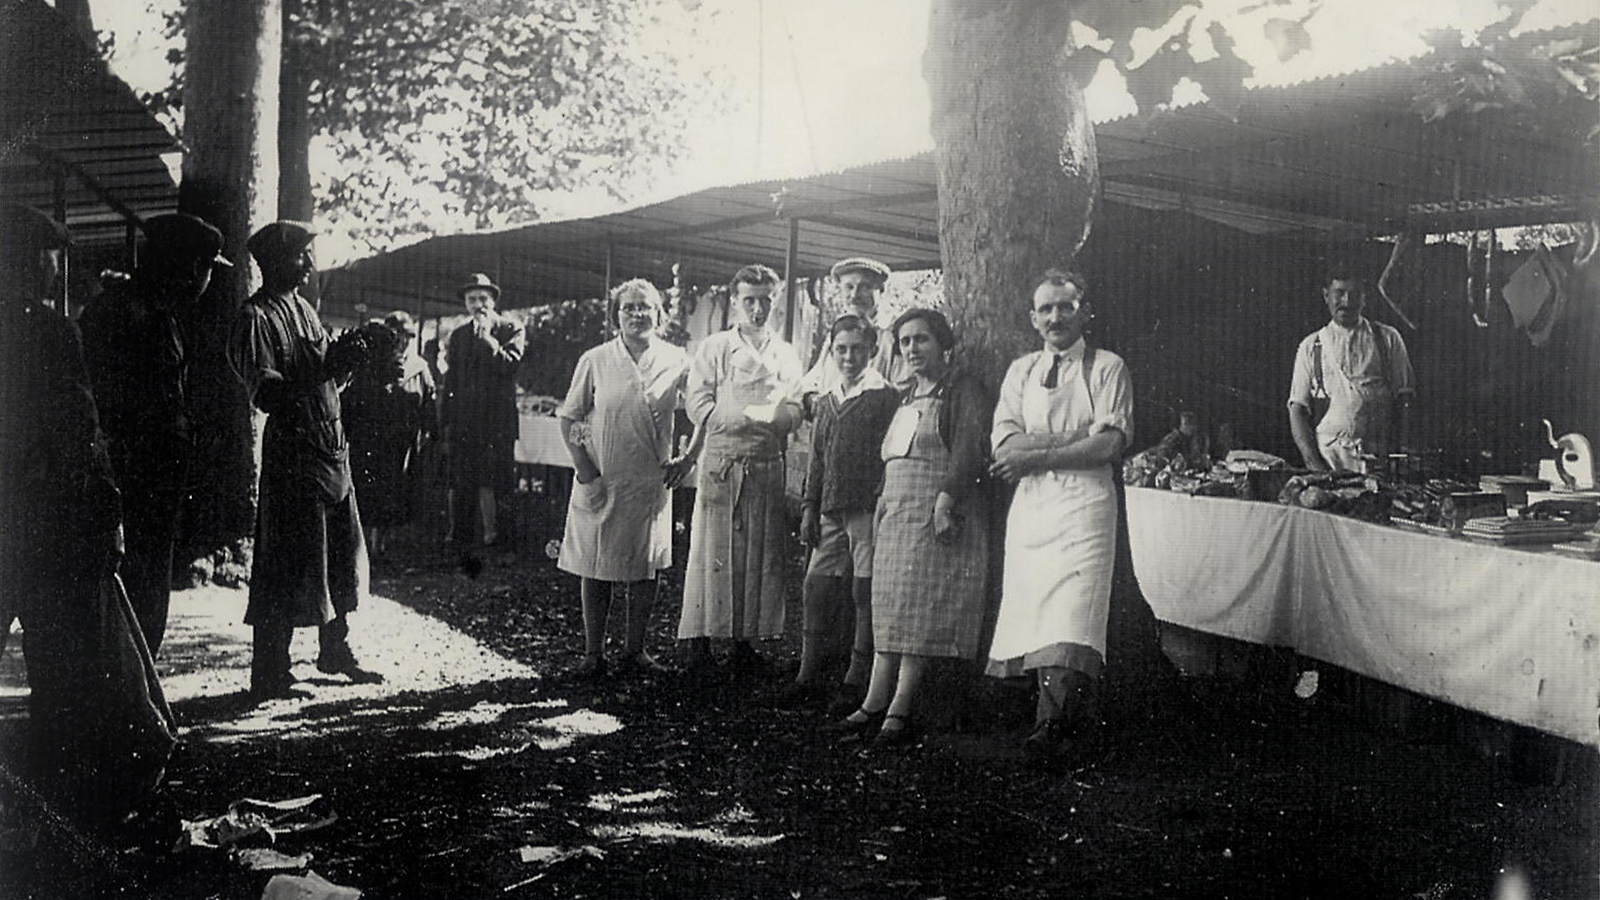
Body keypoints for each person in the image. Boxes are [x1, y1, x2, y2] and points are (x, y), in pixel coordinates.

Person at [0, 204, 176, 832]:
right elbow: (80, 433)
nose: (58, 269)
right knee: (61, 664)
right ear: (31, 261)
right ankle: (59, 809)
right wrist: (106, 512)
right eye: (53, 257)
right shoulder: (52, 332)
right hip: (47, 525)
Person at [825, 308, 993, 747]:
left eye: (922, 340)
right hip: (895, 514)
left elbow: (970, 450)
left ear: (943, 344)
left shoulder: (962, 390)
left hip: (935, 512)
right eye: (904, 342)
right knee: (890, 606)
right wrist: (880, 501)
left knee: (919, 612)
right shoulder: (903, 397)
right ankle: (873, 700)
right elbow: (893, 457)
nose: (913, 349)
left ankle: (899, 707)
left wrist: (946, 500)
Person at [230, 221, 382, 700]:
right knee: (288, 558)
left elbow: (327, 383)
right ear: (274, 262)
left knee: (339, 552)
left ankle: (334, 649)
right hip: (294, 453)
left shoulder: (305, 311)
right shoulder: (254, 318)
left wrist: (350, 364)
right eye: (301, 255)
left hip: (331, 448)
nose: (309, 264)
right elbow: (270, 393)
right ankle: (270, 670)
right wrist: (323, 368)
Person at [986, 269, 1133, 763]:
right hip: (1032, 506)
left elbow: (1110, 443)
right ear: (1032, 318)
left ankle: (1055, 726)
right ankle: (1051, 722)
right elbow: (1004, 442)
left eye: (1065, 307)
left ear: (1084, 311)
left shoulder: (1108, 367)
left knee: (1074, 612)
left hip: (1086, 504)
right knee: (1035, 608)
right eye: (1046, 309)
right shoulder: (1020, 370)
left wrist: (1039, 453)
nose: (1055, 317)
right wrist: (1074, 441)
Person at [79, 213, 233, 655]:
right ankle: (127, 700)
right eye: (205, 268)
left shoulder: (154, 313)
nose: (205, 280)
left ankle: (135, 691)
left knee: (142, 585)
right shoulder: (128, 313)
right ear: (186, 268)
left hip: (153, 477)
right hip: (131, 477)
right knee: (134, 587)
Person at [667, 264, 803, 676]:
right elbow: (697, 400)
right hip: (721, 461)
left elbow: (796, 404)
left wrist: (778, 419)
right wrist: (731, 416)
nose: (758, 309)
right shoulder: (715, 347)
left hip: (764, 462)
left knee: (757, 554)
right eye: (750, 300)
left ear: (775, 302)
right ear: (735, 302)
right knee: (712, 551)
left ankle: (746, 641)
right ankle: (700, 640)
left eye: (765, 300)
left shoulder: (785, 353)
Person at [556, 279, 689, 678]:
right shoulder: (596, 359)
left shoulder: (677, 359)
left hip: (650, 480)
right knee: (596, 565)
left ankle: (636, 651)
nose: (637, 314)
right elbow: (570, 417)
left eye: (645, 307)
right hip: (602, 477)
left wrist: (688, 457)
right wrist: (586, 471)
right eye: (628, 307)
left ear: (660, 314)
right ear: (617, 315)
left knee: (644, 565)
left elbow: (701, 408)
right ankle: (593, 653)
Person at [775, 314, 899, 712]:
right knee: (816, 586)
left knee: (864, 592)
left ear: (873, 350)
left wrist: (881, 496)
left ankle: (855, 679)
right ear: (831, 351)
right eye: (841, 349)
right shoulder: (827, 400)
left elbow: (890, 454)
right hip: (830, 511)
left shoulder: (885, 397)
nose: (849, 357)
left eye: (857, 349)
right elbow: (817, 459)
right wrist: (810, 507)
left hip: (866, 510)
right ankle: (807, 674)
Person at [1287, 267, 1415, 472]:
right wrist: (1313, 463)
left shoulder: (1388, 338)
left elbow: (1405, 398)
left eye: (1355, 294)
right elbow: (1298, 410)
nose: (1347, 302)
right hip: (1331, 458)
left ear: (1365, 298)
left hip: (1379, 457)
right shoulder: (1311, 346)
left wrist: (1402, 451)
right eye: (1339, 293)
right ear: (1326, 295)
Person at [440, 272, 526, 547]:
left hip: (497, 424)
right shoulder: (459, 335)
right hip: (465, 423)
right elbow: (451, 380)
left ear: (493, 302)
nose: (478, 305)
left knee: (497, 482)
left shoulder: (511, 329)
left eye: (483, 299)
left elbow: (509, 365)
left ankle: (498, 538)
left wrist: (488, 339)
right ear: (465, 303)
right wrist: (446, 422)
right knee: (461, 481)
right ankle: (460, 536)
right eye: (472, 299)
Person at [343, 310, 435, 560]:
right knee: (367, 491)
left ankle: (382, 545)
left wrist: (427, 430)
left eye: (408, 336)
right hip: (370, 440)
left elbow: (429, 401)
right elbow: (352, 401)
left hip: (401, 444)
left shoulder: (419, 367)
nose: (403, 342)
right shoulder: (370, 363)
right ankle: (362, 546)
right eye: (398, 336)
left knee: (394, 493)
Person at [797, 257, 905, 412]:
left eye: (865, 287)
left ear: (881, 290)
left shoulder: (893, 335)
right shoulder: (837, 333)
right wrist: (812, 397)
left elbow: (902, 391)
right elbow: (815, 377)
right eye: (849, 287)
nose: (855, 295)